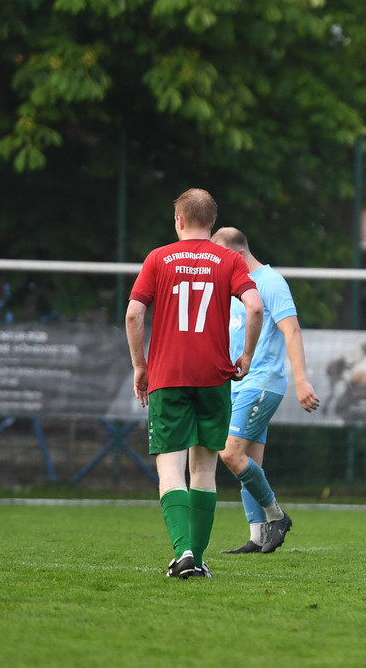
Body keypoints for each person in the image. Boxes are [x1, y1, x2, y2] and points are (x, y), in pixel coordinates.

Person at [125, 189, 264, 579]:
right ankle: (197, 560)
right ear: (212, 223)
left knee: (170, 470)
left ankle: (183, 552)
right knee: (203, 471)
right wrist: (247, 355)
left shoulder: (158, 258)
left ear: (179, 221)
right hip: (214, 376)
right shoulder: (230, 259)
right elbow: (255, 307)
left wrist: (140, 365)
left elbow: (134, 315)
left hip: (168, 376)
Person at [210, 227, 321, 554]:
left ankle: (277, 516)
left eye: (220, 257)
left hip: (260, 384)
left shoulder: (271, 283)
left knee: (229, 453)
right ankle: (258, 537)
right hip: (237, 384)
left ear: (237, 255)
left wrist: (301, 380)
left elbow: (292, 331)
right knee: (247, 461)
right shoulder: (233, 285)